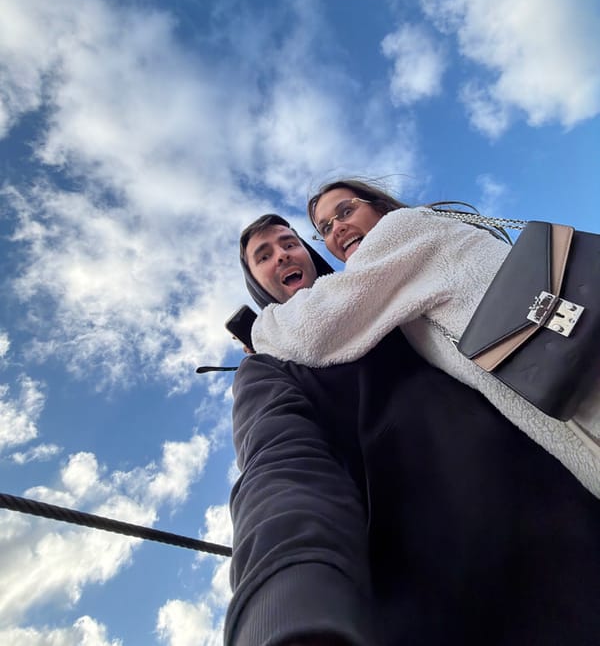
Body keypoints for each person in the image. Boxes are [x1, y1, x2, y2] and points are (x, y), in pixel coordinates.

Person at [225, 203, 600, 646]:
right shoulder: (272, 368)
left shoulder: (395, 299)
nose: (283, 255)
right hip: (457, 594)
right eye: (264, 255)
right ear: (256, 282)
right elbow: (281, 465)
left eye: (289, 243)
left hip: (573, 510)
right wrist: (287, 600)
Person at [251, 179, 600, 498]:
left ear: (379, 208)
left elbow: (313, 330)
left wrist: (260, 328)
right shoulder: (404, 270)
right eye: (325, 228)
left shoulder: (398, 231)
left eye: (346, 210)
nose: (337, 227)